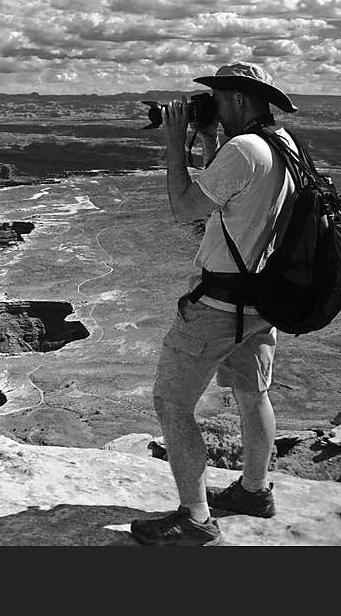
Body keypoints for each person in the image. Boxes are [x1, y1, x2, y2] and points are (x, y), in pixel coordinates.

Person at [130, 62, 299, 546]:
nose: (213, 107)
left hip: (218, 308)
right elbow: (228, 198)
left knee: (172, 402)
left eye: (218, 99)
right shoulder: (281, 144)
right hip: (261, 302)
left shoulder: (243, 149)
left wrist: (173, 142)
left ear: (240, 100)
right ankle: (254, 490)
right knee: (253, 395)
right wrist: (207, 138)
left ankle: (196, 518)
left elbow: (184, 206)